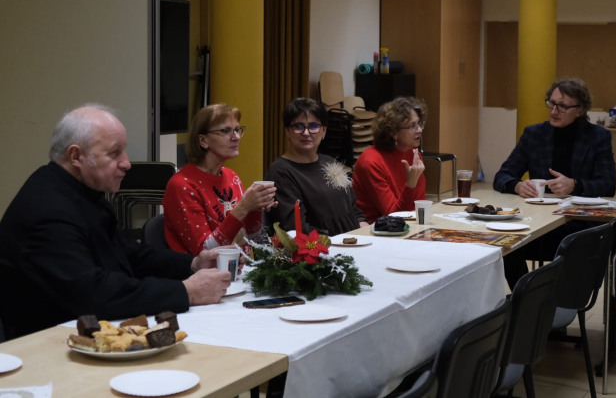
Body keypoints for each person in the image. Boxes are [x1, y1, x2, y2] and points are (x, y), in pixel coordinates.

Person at [0, 104, 231, 340]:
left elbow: (125, 253)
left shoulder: (81, 191)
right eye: (114, 153)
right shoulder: (48, 209)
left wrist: (192, 264)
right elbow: (94, 294)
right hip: (42, 345)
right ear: (76, 156)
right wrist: (187, 291)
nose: (127, 163)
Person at [493, 78, 616, 287]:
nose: (554, 111)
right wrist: (518, 185)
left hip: (577, 224)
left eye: (562, 106)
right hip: (538, 222)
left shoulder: (597, 137)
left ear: (579, 110)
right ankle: (526, 295)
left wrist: (575, 185)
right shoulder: (534, 134)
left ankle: (555, 300)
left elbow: (608, 184)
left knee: (577, 248)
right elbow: (502, 175)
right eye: (551, 103)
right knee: (503, 241)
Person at [162, 103, 277, 255]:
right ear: (203, 141)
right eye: (225, 131)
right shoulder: (182, 185)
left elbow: (251, 240)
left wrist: (255, 208)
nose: (236, 137)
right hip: (204, 269)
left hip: (239, 265)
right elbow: (204, 253)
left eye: (237, 130)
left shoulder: (231, 176)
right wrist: (243, 207)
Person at [267, 98, 368, 235]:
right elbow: (296, 228)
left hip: (354, 240)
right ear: (287, 132)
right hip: (324, 245)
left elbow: (354, 210)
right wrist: (340, 241)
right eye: (298, 126)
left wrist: (366, 234)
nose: (306, 133)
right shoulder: (281, 171)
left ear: (324, 131)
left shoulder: (330, 162)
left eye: (313, 126)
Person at [353, 97, 427, 222]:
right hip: (376, 227)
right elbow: (394, 215)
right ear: (393, 132)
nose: (419, 130)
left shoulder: (413, 154)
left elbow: (420, 206)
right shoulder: (371, 161)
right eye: (412, 126)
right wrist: (411, 183)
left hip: (407, 224)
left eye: (419, 124)